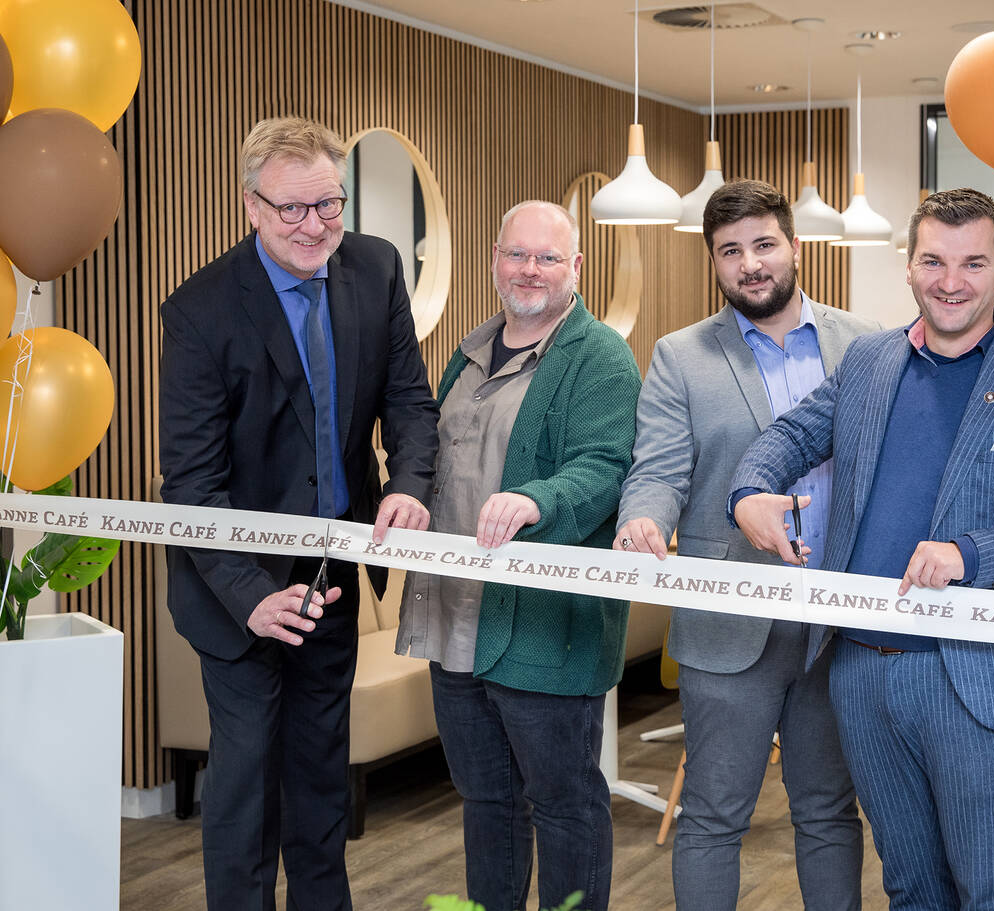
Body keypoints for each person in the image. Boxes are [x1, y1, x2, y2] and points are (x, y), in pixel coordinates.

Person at [730, 188, 994, 910]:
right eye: (933, 260)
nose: (950, 280)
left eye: (973, 263)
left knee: (991, 892)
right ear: (908, 267)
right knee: (910, 886)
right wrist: (750, 489)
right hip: (861, 674)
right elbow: (789, 437)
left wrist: (971, 554)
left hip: (973, 679)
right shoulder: (868, 363)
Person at [159, 116, 440, 911]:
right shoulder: (200, 312)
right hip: (236, 596)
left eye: (330, 204)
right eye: (293, 210)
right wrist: (252, 596)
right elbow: (191, 486)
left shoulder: (376, 269)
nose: (316, 225)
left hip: (331, 577)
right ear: (251, 206)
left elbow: (410, 406)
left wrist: (408, 483)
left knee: (322, 784)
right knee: (246, 794)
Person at [616, 179, 875, 910]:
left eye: (764, 245)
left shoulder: (866, 345)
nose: (750, 264)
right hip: (729, 625)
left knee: (827, 811)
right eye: (731, 251)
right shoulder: (680, 356)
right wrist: (641, 516)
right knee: (713, 814)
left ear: (794, 246)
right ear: (715, 262)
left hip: (837, 622)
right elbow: (659, 468)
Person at [395, 200, 640, 911]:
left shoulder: (600, 357)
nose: (530, 270)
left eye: (548, 257)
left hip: (541, 624)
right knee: (486, 800)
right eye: (517, 254)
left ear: (576, 267)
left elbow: (605, 465)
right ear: (494, 259)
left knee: (563, 803)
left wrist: (538, 498)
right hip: (455, 616)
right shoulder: (468, 352)